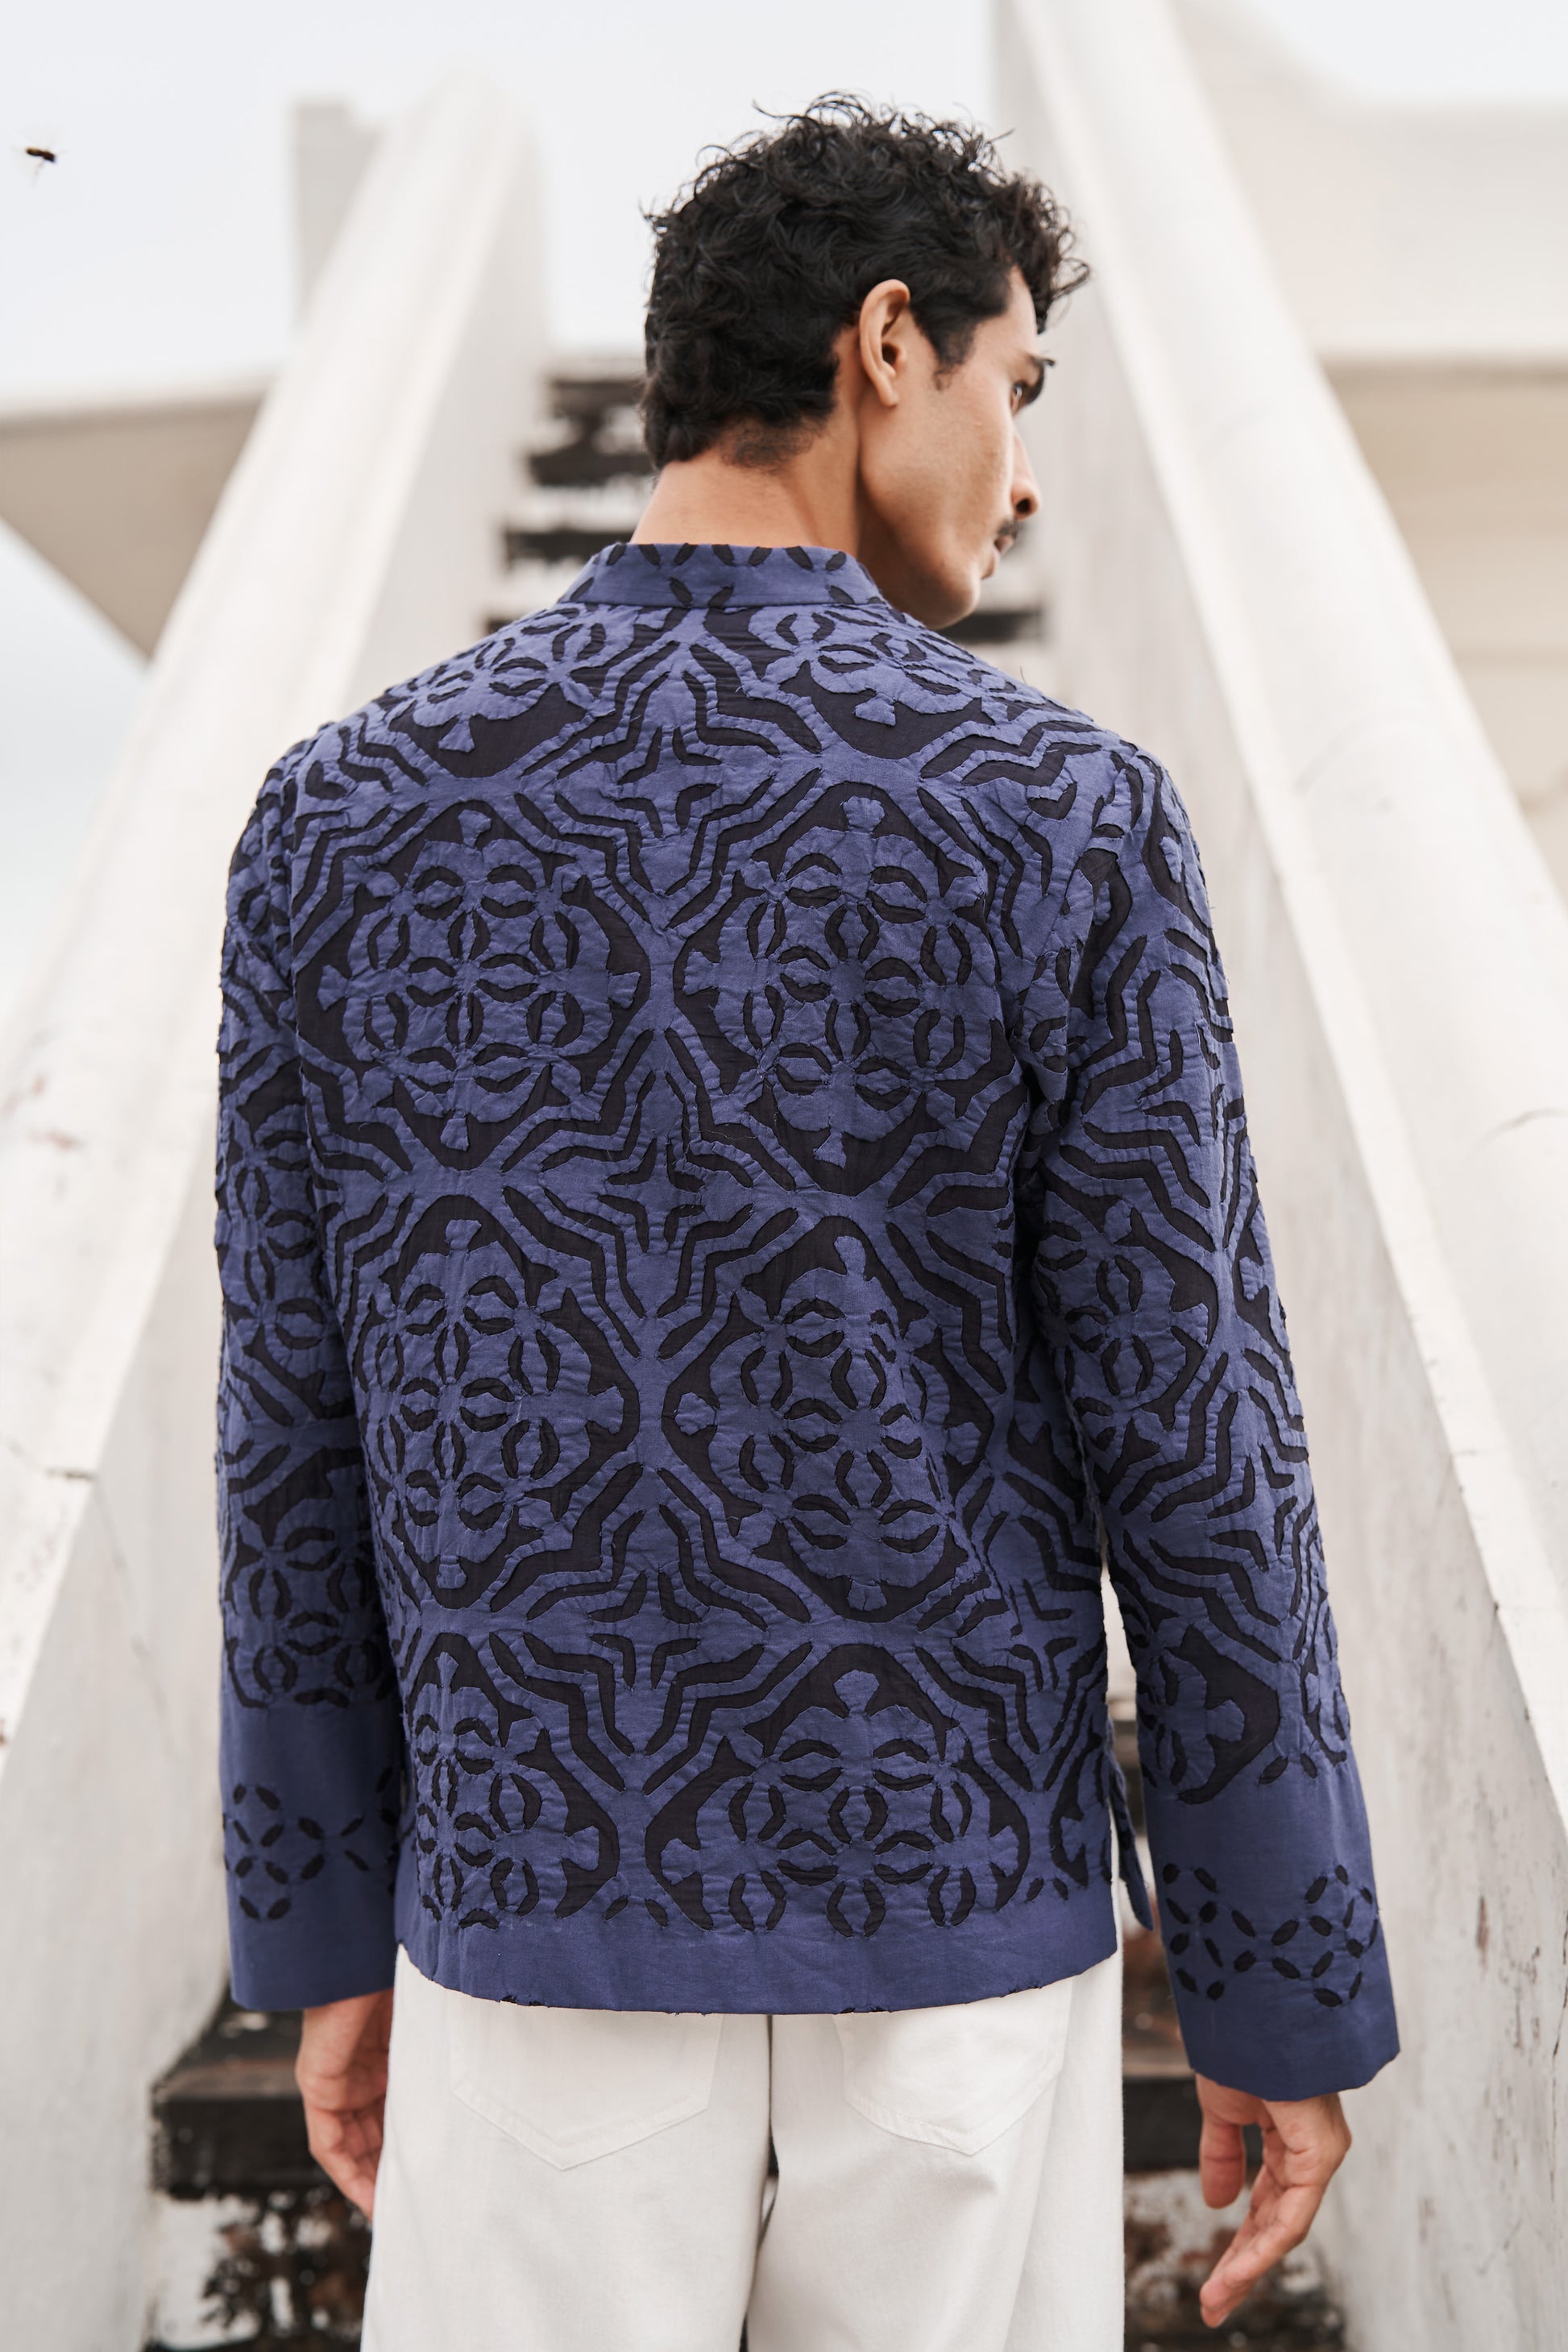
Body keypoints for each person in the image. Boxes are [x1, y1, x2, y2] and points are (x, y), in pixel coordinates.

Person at [214, 98, 1396, 2350]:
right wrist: (1274, 1972)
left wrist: (322, 1929)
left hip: (533, 1913)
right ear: (888, 345)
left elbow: (294, 1432)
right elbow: (1195, 1445)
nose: (1022, 479)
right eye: (1015, 387)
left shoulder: (338, 821)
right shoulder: (1063, 818)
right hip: (956, 1913)